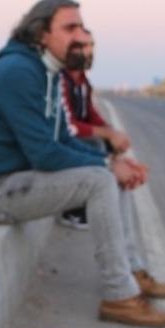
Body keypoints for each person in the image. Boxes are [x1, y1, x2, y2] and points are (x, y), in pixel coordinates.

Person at [0, 0, 165, 328]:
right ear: (41, 33)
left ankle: (132, 272)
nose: (79, 35)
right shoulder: (17, 72)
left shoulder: (47, 72)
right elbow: (44, 153)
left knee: (111, 173)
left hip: (12, 180)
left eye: (81, 27)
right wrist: (106, 168)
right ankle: (119, 297)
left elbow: (64, 139)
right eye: (70, 28)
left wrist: (110, 161)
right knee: (100, 180)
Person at [57, 31, 131, 230]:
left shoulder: (83, 81)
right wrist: (106, 134)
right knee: (96, 144)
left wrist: (112, 133)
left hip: (78, 134)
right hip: (64, 138)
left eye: (91, 46)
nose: (88, 52)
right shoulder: (60, 80)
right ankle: (74, 210)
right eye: (82, 46)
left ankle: (106, 202)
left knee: (110, 145)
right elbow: (68, 124)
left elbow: (90, 113)